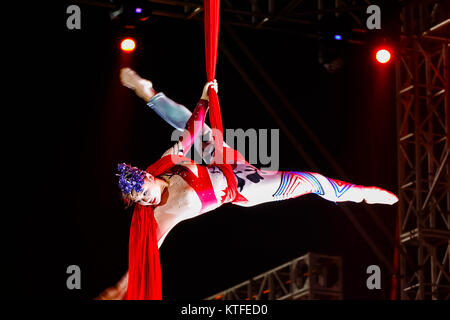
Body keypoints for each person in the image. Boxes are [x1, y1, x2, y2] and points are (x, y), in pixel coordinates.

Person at [95, 68, 398, 299]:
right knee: (314, 181)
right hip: (245, 188)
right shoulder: (160, 217)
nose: (148, 200)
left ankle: (148, 93)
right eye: (143, 201)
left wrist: (204, 96)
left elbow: (192, 130)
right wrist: (118, 289)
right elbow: (143, 260)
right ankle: (360, 195)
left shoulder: (164, 166)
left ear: (148, 177)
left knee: (200, 134)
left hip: (228, 163)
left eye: (146, 192)